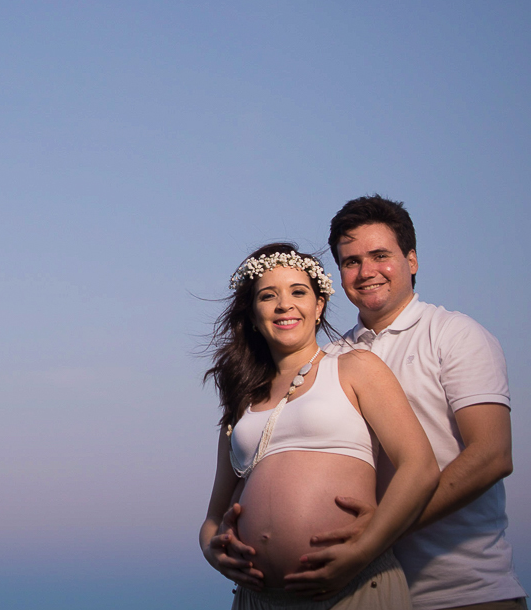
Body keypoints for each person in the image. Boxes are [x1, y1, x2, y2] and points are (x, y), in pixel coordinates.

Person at [314, 196, 526, 610]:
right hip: (363, 597)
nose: (366, 271)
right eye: (351, 261)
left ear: (411, 260)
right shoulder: (331, 358)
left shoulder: (455, 334)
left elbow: (493, 455)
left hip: (466, 594)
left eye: (380, 256)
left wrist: (381, 529)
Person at [199, 243, 439, 609]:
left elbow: (420, 468)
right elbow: (213, 518)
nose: (285, 305)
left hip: (354, 587)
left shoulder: (355, 368)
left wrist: (363, 550)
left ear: (319, 306)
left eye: (298, 292)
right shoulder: (240, 403)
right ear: (252, 314)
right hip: (257, 599)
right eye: (268, 295)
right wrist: (212, 553)